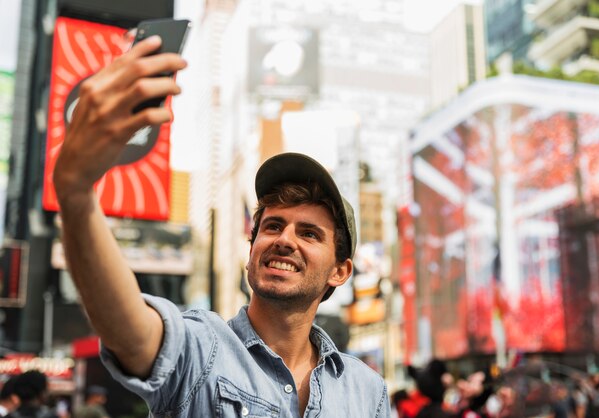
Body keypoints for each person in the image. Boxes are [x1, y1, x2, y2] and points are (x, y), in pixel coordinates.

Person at [52, 35, 390, 417]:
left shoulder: (366, 390)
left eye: (309, 233)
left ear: (340, 270)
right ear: (251, 252)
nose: (284, 240)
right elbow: (131, 333)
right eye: (273, 226)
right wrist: (77, 193)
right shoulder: (200, 349)